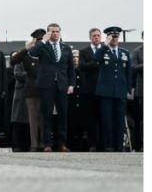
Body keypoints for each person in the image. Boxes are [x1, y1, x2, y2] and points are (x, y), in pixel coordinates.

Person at [28, 22, 75, 151]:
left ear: (60, 32)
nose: (54, 33)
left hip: (62, 85)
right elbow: (32, 53)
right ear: (48, 33)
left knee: (63, 115)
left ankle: (62, 143)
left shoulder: (66, 48)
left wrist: (71, 84)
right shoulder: (43, 46)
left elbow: (71, 68)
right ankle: (47, 144)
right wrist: (43, 41)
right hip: (46, 85)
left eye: (56, 31)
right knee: (46, 114)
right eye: (52, 31)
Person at [94, 26, 130, 152]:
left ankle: (119, 145)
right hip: (106, 91)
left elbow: (128, 73)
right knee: (107, 119)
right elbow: (96, 58)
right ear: (108, 38)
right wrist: (104, 45)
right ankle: (108, 145)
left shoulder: (125, 53)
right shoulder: (103, 51)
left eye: (116, 37)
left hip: (120, 91)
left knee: (120, 119)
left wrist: (128, 90)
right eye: (112, 37)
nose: (114, 39)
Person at [10, 29, 44, 152]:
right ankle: (19, 145)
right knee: (21, 120)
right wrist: (32, 74)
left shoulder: (43, 55)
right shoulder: (24, 55)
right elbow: (17, 72)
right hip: (23, 91)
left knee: (39, 120)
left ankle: (40, 143)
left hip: (38, 91)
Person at [76, 27, 103, 151]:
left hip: (104, 89)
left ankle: (104, 144)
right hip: (89, 90)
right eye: (94, 36)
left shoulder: (105, 50)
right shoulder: (84, 51)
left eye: (98, 35)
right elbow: (81, 66)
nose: (96, 37)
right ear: (90, 37)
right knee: (91, 118)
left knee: (103, 117)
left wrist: (91, 64)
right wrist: (96, 63)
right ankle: (92, 144)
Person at [131, 34, 143, 152]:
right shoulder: (137, 51)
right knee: (142, 118)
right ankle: (141, 144)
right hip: (142, 90)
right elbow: (133, 67)